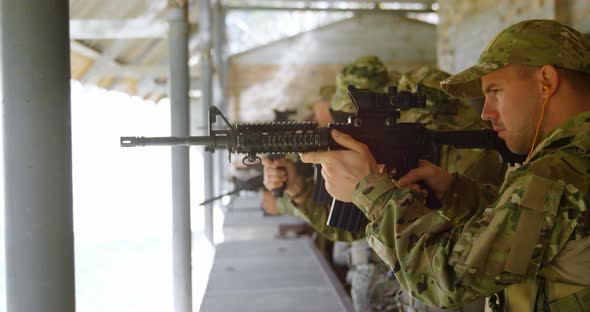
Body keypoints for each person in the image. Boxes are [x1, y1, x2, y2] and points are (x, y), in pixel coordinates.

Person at [300, 19, 590, 311]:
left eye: (495, 91)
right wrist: (456, 193)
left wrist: (372, 193)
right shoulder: (572, 161)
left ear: (546, 83)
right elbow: (546, 228)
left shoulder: (555, 173)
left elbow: (446, 279)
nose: (487, 113)